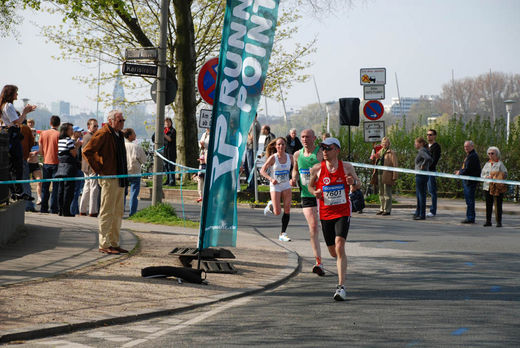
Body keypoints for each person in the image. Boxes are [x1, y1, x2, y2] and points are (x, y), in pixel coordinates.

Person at [308, 137, 361, 301]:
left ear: (336, 150)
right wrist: (314, 192)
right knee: (333, 251)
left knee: (339, 246)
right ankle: (338, 260)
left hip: (343, 212)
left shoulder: (347, 167)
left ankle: (341, 287)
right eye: (322, 149)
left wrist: (353, 182)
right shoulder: (317, 169)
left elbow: (357, 184)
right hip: (325, 214)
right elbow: (310, 186)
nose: (324, 151)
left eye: (328, 148)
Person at [83, 110, 129, 255]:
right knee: (107, 211)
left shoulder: (119, 135)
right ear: (111, 121)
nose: (122, 123)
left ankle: (114, 242)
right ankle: (104, 243)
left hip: (120, 177)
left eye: (123, 120)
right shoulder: (103, 133)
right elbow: (87, 151)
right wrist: (99, 168)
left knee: (117, 212)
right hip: (109, 177)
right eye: (120, 120)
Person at [291, 129, 324, 275]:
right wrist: (293, 178)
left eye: (307, 137)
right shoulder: (297, 154)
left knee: (325, 226)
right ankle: (318, 262)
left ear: (314, 138)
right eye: (302, 137)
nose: (304, 139)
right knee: (313, 227)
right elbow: (295, 169)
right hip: (306, 194)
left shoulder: (320, 153)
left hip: (322, 195)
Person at [0, 84, 37, 201]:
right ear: (10, 94)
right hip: (12, 136)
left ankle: (14, 190)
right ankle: (18, 190)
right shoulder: (8, 105)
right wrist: (25, 112)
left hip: (9, 136)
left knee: (11, 165)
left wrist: (25, 113)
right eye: (16, 92)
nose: (17, 95)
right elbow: (17, 122)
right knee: (17, 164)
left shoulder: (3, 105)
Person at [260, 137, 294, 242]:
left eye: (283, 144)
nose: (281, 146)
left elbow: (295, 169)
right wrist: (270, 178)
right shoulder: (273, 158)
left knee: (287, 209)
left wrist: (293, 178)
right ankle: (271, 205)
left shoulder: (290, 157)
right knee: (277, 212)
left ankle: (283, 233)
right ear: (275, 146)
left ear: (285, 146)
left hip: (286, 185)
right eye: (279, 144)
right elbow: (262, 170)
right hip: (275, 185)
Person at [55, 123, 79, 217]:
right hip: (69, 167)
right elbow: (74, 153)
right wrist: (76, 146)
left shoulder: (60, 140)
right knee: (69, 190)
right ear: (66, 130)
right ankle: (66, 211)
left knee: (61, 189)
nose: (72, 131)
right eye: (70, 129)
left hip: (61, 166)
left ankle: (60, 210)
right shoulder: (69, 140)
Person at [455, 140, 481, 224]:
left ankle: (470, 218)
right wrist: (460, 171)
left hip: (470, 181)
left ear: (472, 147)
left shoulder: (473, 156)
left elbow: (468, 169)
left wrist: (460, 172)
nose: (466, 148)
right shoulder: (469, 155)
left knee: (470, 200)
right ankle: (469, 217)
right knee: (468, 200)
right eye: (465, 146)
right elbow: (465, 167)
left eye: (467, 146)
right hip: (467, 180)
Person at [39, 115, 61, 213]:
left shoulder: (43, 133)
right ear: (59, 124)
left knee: (45, 187)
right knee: (55, 187)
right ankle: (53, 208)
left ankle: (43, 207)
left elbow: (40, 150)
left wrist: (44, 154)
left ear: (50, 123)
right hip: (56, 162)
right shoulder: (59, 134)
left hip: (46, 162)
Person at [481, 146, 507, 227]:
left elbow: (505, 174)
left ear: (497, 154)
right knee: (488, 204)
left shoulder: (500, 164)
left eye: (492, 153)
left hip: (497, 188)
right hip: (487, 186)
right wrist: (487, 177)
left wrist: (497, 175)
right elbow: (482, 174)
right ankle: (488, 221)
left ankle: (499, 222)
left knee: (498, 205)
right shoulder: (487, 164)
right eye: (489, 153)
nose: (490, 155)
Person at [79, 118, 100, 217]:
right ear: (89, 127)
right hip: (91, 166)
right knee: (94, 188)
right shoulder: (90, 137)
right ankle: (92, 211)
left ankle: (83, 209)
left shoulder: (85, 136)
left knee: (87, 187)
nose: (96, 128)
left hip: (85, 166)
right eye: (94, 126)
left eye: (97, 126)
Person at [123, 128, 147, 217]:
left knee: (122, 193)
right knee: (134, 193)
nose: (135, 135)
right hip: (135, 172)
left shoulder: (121, 146)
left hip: (124, 172)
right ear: (129, 136)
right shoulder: (137, 147)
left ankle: (121, 211)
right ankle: (132, 213)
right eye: (134, 134)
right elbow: (144, 160)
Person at [373, 137, 398, 215]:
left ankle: (387, 210)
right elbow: (375, 161)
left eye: (386, 142)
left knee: (387, 192)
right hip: (379, 174)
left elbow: (395, 165)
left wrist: (394, 176)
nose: (384, 144)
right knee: (381, 192)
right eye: (383, 142)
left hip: (387, 175)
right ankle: (382, 208)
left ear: (389, 144)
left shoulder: (391, 153)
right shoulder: (379, 152)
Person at [413, 137, 432, 220]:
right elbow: (431, 160)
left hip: (421, 175)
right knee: (419, 195)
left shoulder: (422, 151)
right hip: (423, 175)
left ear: (420, 143)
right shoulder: (425, 150)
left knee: (421, 195)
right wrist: (426, 166)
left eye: (416, 143)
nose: (415, 144)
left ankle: (422, 215)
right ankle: (419, 212)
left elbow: (428, 158)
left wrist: (423, 165)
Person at [20, 119, 36, 211]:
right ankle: (28, 205)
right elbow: (32, 142)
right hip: (24, 158)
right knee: (25, 182)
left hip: (11, 159)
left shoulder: (8, 127)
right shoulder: (26, 129)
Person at [27, 119, 43, 205]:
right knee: (26, 182)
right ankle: (28, 201)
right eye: (32, 132)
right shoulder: (26, 142)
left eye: (34, 132)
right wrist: (30, 154)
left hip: (35, 164)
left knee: (40, 181)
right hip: (27, 163)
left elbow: (41, 151)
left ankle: (39, 198)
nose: (33, 133)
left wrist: (36, 152)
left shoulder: (37, 143)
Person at [426, 129, 441, 217]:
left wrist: (427, 166)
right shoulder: (425, 146)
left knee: (432, 191)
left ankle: (433, 210)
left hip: (430, 171)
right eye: (427, 134)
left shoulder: (436, 147)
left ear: (434, 136)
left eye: (431, 135)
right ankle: (420, 210)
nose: (429, 136)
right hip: (423, 171)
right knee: (423, 191)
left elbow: (435, 160)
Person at [70, 126, 84, 215]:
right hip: (75, 169)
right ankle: (73, 210)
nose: (80, 133)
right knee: (75, 191)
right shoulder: (73, 143)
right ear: (74, 132)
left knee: (77, 191)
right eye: (78, 132)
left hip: (78, 168)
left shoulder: (78, 142)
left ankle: (75, 209)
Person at [244, 114, 261, 191]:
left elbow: (251, 138)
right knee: (246, 166)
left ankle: (252, 186)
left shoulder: (255, 124)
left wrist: (246, 132)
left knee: (251, 168)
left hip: (252, 148)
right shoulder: (252, 124)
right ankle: (250, 184)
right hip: (248, 148)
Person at [195, 128, 210, 202]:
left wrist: (205, 144)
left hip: (208, 158)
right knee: (200, 177)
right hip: (202, 157)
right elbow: (200, 143)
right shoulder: (204, 134)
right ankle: (200, 195)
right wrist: (201, 144)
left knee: (207, 178)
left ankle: (207, 195)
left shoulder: (213, 134)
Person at [163, 117, 177, 186]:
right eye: (166, 122)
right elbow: (154, 137)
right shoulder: (163, 130)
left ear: (171, 123)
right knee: (166, 166)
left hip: (171, 152)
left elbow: (170, 139)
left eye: (168, 122)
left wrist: (163, 135)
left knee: (171, 167)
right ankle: (167, 180)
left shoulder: (173, 131)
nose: (167, 124)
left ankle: (172, 181)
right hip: (164, 152)